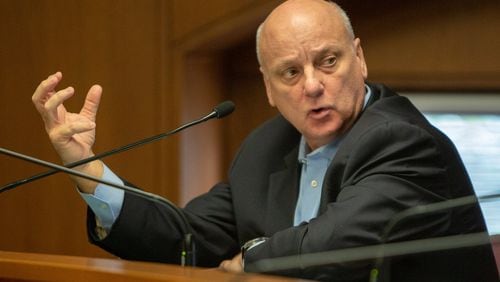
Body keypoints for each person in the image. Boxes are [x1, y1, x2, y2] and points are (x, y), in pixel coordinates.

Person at [32, 0, 498, 281]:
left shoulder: (403, 142)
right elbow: (187, 240)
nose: (312, 85)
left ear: (360, 59)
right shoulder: (266, 148)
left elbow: (334, 247)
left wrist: (247, 262)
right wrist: (87, 167)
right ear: (268, 88)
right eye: (291, 73)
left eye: (329, 61)